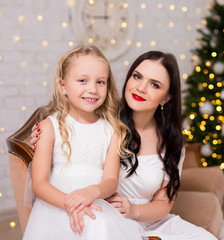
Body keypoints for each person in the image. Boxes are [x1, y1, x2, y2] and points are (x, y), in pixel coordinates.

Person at [30, 51, 217, 240]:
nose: (141, 88)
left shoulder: (173, 142)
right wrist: (39, 138)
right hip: (101, 217)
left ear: (166, 97)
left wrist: (133, 210)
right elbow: (68, 123)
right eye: (137, 77)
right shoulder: (103, 117)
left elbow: (163, 203)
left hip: (146, 219)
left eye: (154, 84)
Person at [23, 45, 143, 240]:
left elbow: (111, 181)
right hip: (56, 205)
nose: (93, 90)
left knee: (99, 227)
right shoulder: (49, 127)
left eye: (100, 82)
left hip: (96, 202)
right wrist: (71, 204)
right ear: (63, 86)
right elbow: (39, 183)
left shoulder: (111, 130)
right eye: (82, 80)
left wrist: (91, 193)